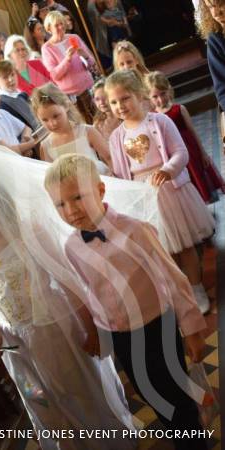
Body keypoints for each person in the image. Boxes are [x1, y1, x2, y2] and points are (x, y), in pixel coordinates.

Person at [0, 144, 138, 450]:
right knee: (43, 401)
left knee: (80, 391)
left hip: (56, 328)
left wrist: (89, 326)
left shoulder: (27, 228)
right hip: (16, 343)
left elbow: (67, 279)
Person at [45, 153, 208, 450]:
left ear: (100, 190)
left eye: (78, 197)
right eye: (60, 204)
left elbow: (173, 278)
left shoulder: (135, 229)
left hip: (157, 325)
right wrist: (97, 331)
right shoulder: (71, 247)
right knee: (150, 394)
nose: (70, 211)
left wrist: (193, 329)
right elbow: (90, 291)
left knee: (177, 394)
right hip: (121, 336)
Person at [106, 70, 215, 314]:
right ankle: (181, 291)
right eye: (114, 102)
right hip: (144, 197)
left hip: (171, 190)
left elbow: (180, 152)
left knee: (184, 245)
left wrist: (167, 170)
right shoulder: (116, 138)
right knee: (163, 249)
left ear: (139, 95)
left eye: (125, 98)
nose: (119, 106)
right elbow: (122, 172)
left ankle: (196, 287)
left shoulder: (159, 121)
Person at [145, 70, 225, 203]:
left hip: (189, 150)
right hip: (172, 153)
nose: (160, 99)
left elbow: (192, 131)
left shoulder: (179, 109)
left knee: (196, 174)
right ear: (149, 98)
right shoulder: (152, 116)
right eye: (155, 96)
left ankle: (204, 199)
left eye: (163, 93)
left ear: (169, 90)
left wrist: (203, 153)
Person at [31, 82, 111, 174]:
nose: (52, 123)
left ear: (66, 106)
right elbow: (54, 177)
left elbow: (109, 157)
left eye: (56, 116)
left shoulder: (87, 131)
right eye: (45, 120)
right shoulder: (46, 146)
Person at [41, 11, 97, 124]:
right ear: (49, 28)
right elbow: (55, 75)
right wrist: (67, 59)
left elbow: (91, 63)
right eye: (56, 25)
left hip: (88, 88)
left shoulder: (74, 37)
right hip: (72, 97)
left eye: (62, 23)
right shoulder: (47, 48)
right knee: (85, 126)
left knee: (100, 120)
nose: (61, 27)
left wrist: (84, 55)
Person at [0, 60, 39, 131]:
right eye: (5, 77)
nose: (11, 79)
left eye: (12, 74)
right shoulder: (2, 104)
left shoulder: (22, 94)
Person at [197, 0, 225, 111]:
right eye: (210, 7)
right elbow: (222, 90)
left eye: (220, 5)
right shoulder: (215, 39)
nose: (215, 13)